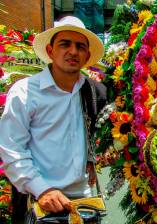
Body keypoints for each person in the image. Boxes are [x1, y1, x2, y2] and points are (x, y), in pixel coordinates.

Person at [0, 16, 106, 222]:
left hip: (84, 204)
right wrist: (43, 190)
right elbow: (11, 149)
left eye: (80, 47)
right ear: (50, 51)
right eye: (65, 44)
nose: (73, 51)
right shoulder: (25, 92)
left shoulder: (94, 92)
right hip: (41, 204)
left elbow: (103, 130)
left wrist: (94, 158)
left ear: (87, 55)